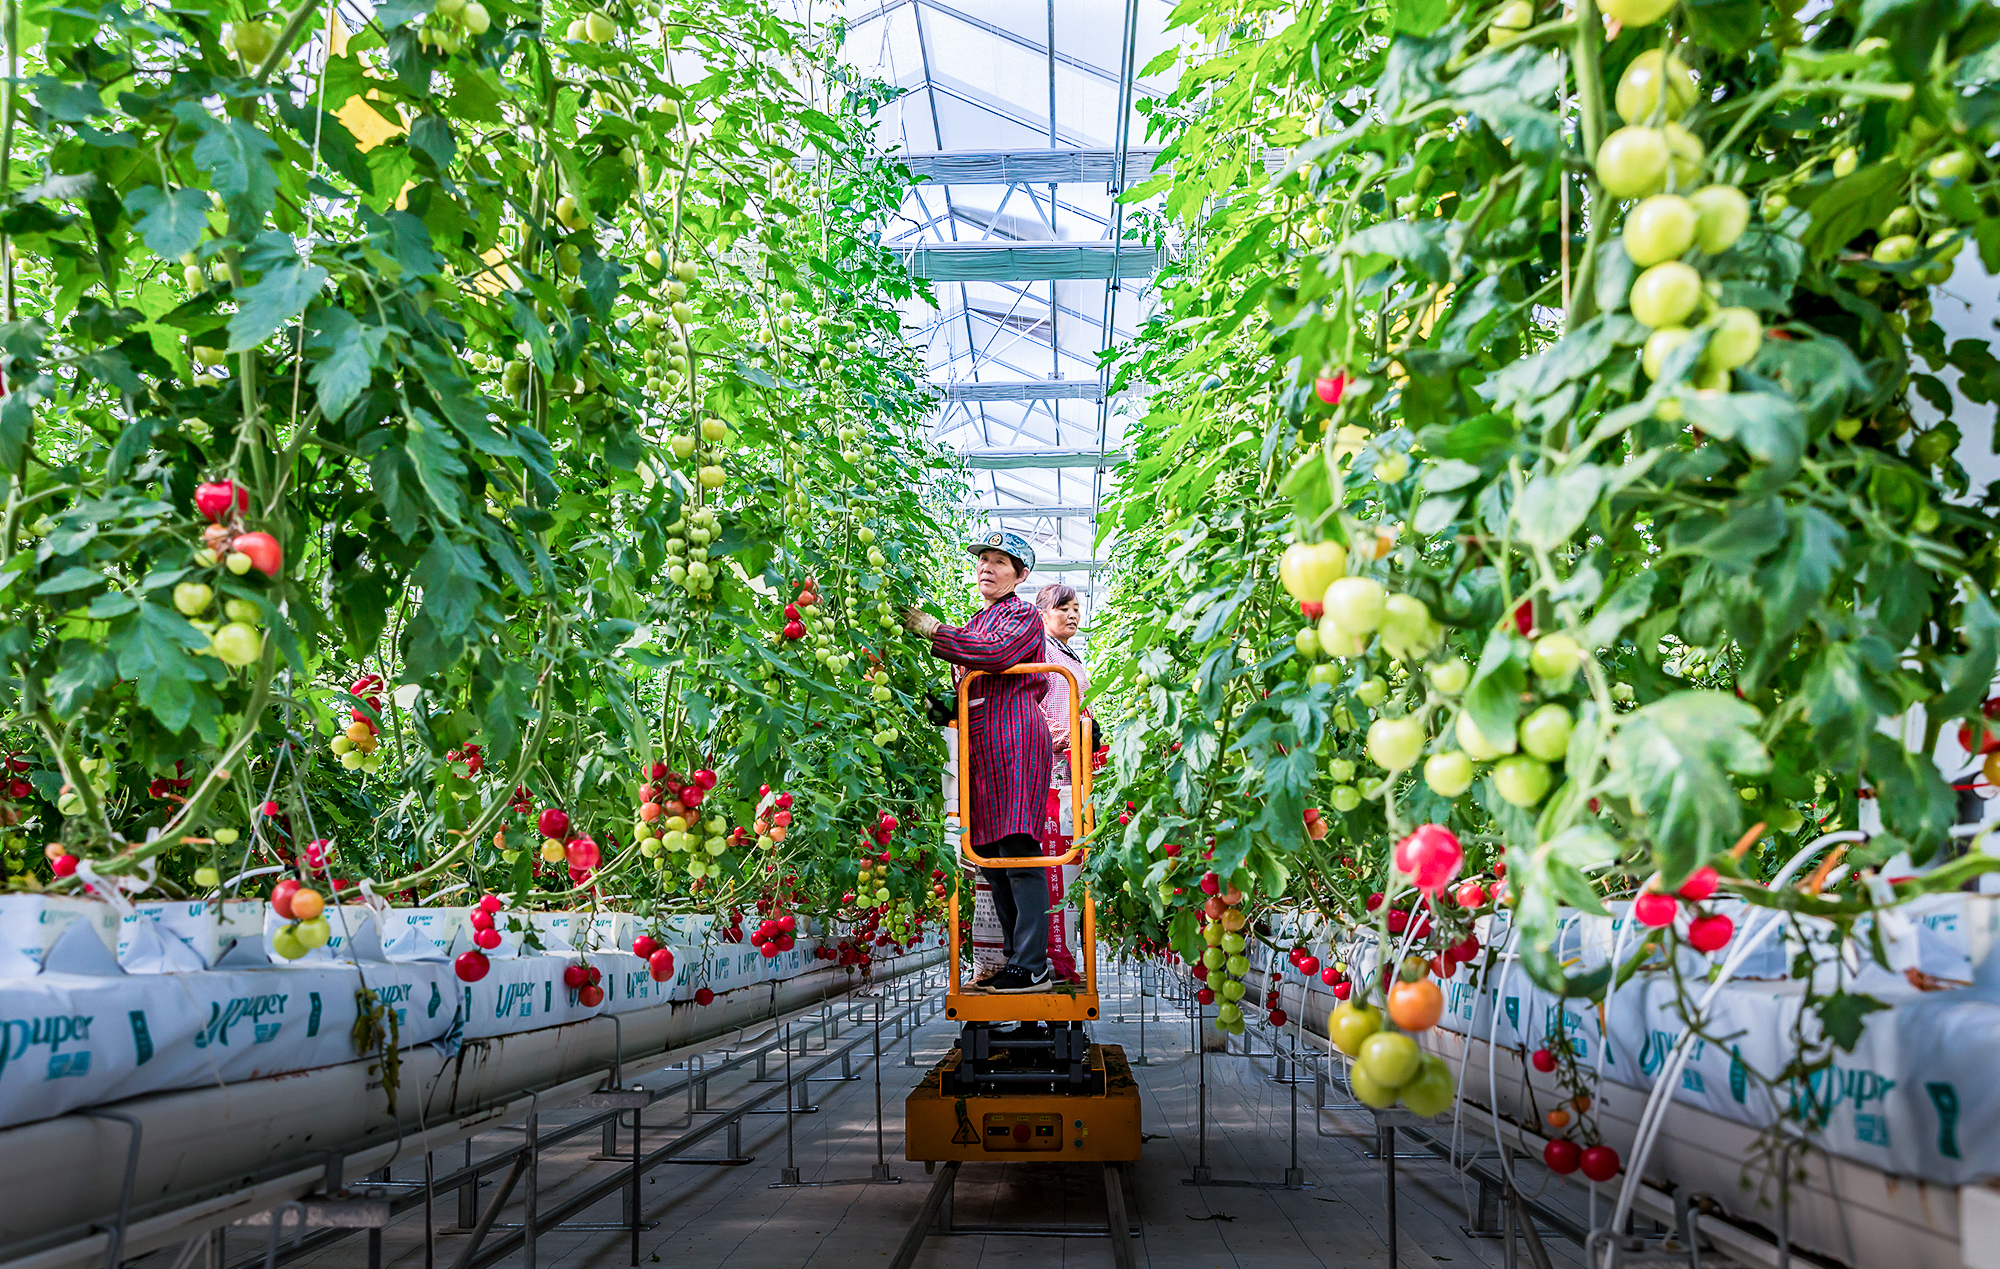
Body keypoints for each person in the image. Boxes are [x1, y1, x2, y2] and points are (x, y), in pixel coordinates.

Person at [903, 530, 1054, 994]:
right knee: (992, 857)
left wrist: (934, 631)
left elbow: (995, 656)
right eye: (983, 559)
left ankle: (1033, 964)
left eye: (1000, 562)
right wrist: (944, 705)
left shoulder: (1022, 615)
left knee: (1020, 851)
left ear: (1020, 575)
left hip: (1016, 739)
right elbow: (979, 681)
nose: (987, 567)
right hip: (984, 745)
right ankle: (1016, 960)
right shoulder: (980, 617)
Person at [1034, 584, 1090, 983]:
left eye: (1076, 608)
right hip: (1050, 774)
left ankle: (1062, 955)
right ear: (1042, 613)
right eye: (1063, 608)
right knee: (1053, 869)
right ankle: (1053, 959)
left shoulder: (1068, 654)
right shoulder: (1042, 652)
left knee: (1067, 870)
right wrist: (1068, 736)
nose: (1072, 615)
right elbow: (1034, 708)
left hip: (1071, 774)